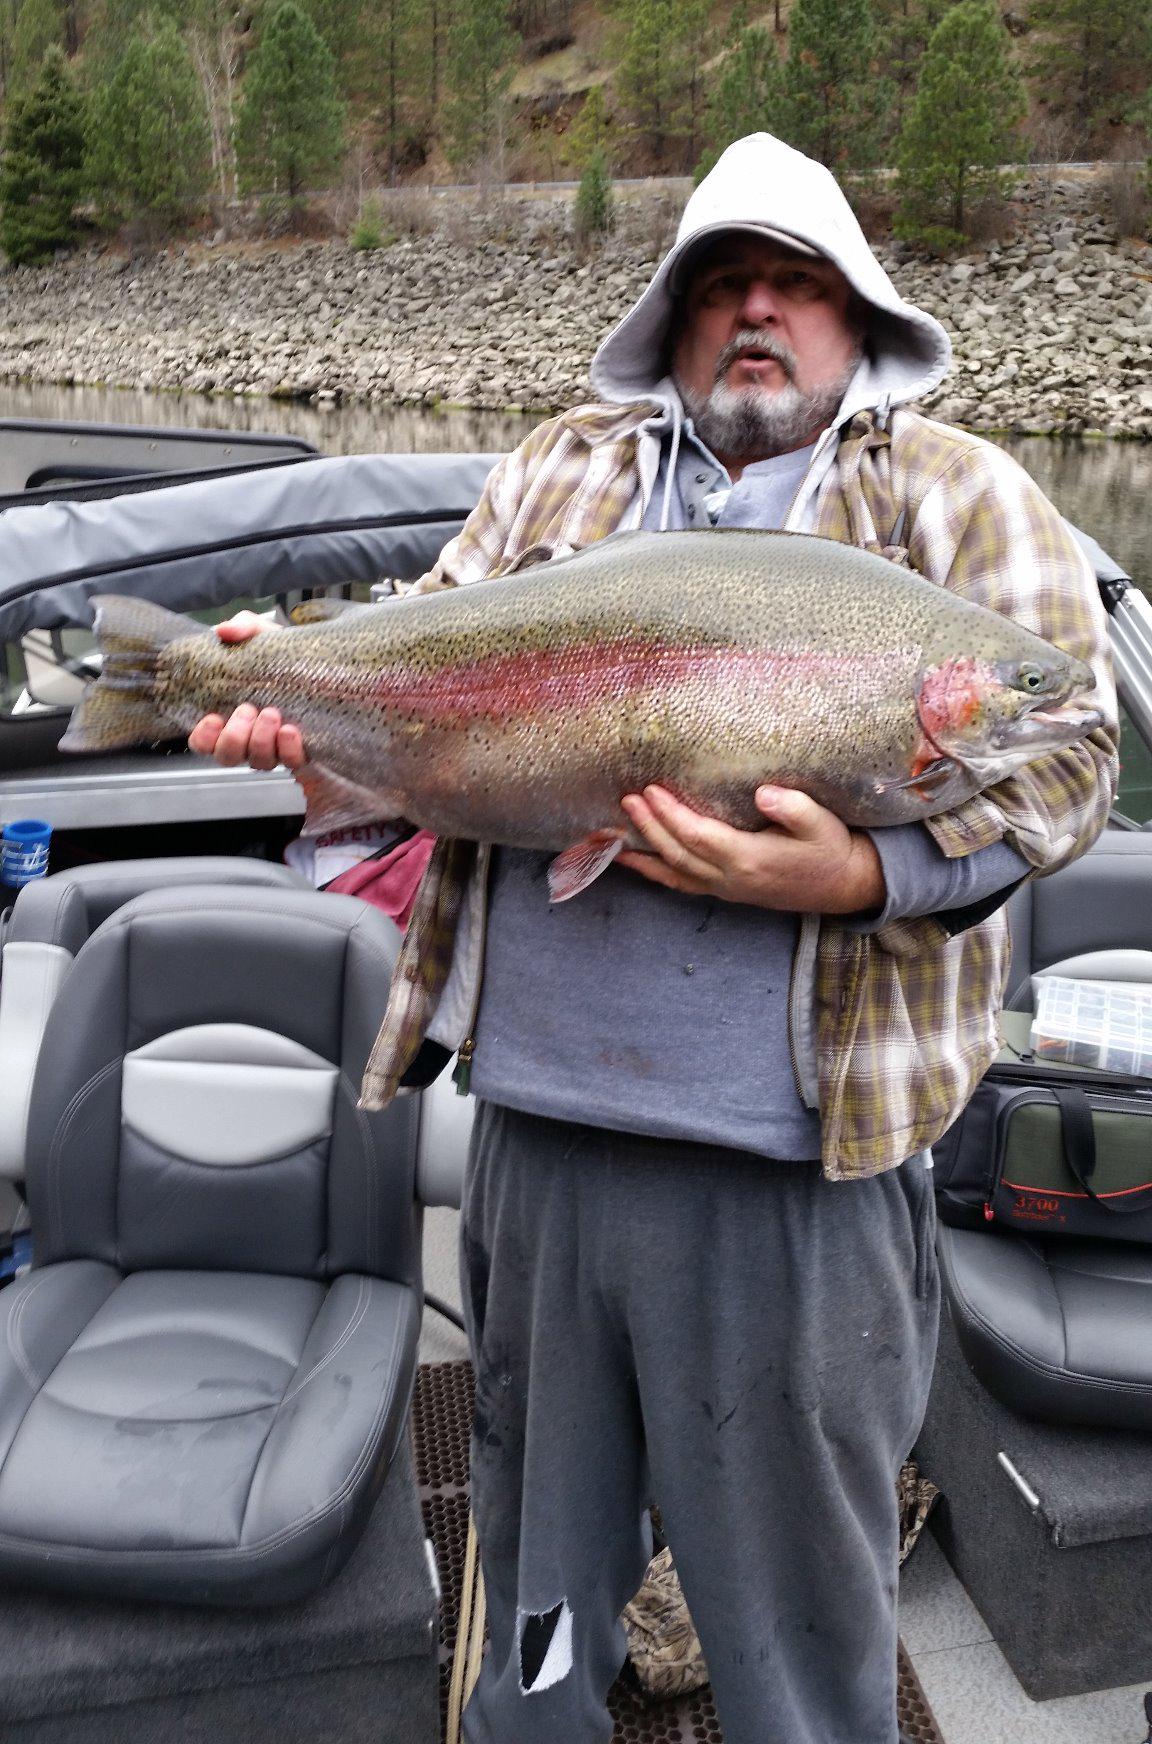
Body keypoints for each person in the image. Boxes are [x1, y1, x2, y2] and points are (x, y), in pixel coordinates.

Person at [191, 133, 1118, 1744]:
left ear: (856, 316)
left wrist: (862, 880)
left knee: (798, 1634)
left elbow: (1080, 749)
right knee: (539, 1594)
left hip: (795, 1185)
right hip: (541, 1144)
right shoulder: (560, 466)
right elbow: (415, 670)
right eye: (722, 284)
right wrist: (296, 701)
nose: (757, 311)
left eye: (796, 284)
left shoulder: (963, 498)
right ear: (677, 315)